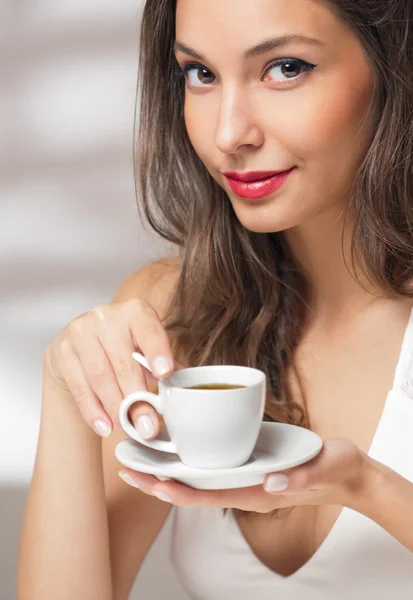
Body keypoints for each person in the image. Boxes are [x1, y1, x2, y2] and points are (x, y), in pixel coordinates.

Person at [17, 0, 413, 598]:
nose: (229, 134)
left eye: (285, 68)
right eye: (200, 74)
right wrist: (65, 382)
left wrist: (367, 488)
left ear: (392, 69)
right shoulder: (169, 312)